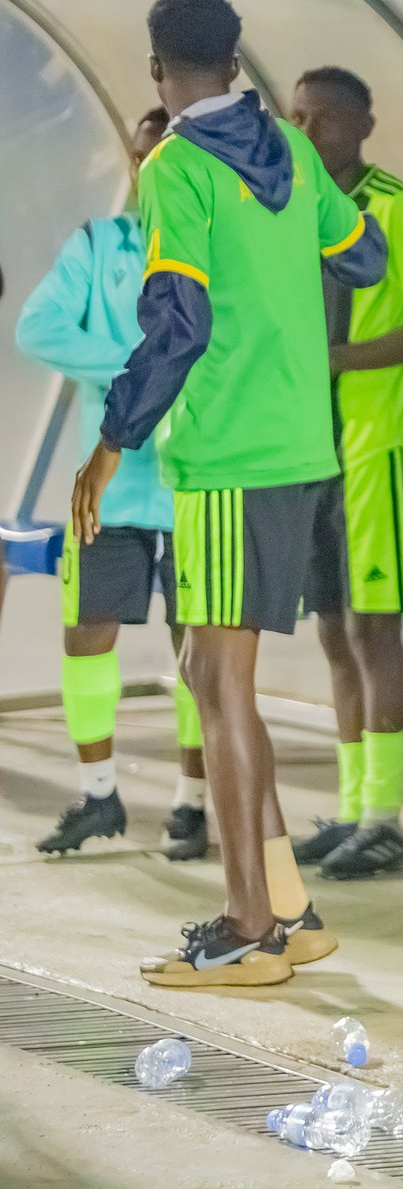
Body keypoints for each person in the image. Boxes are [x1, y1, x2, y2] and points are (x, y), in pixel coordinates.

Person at [74, 0, 386, 987]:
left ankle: (249, 926)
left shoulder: (175, 168)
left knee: (218, 682)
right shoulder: (289, 148)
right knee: (214, 678)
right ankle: (288, 906)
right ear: (238, 63)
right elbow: (365, 256)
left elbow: (180, 322)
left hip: (225, 456)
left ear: (157, 70)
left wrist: (112, 440)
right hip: (301, 446)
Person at [17, 107, 209, 861]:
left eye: (164, 154)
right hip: (113, 485)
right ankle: (99, 796)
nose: (148, 167)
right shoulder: (99, 245)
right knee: (86, 633)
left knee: (199, 645)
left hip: (198, 480)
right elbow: (37, 326)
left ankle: (192, 804)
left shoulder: (217, 246)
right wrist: (139, 369)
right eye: (140, 154)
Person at [289, 65, 403, 881]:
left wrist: (342, 360)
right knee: (332, 629)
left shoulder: (397, 207)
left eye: (323, 118)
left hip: (377, 447)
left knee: (372, 629)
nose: (308, 131)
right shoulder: (293, 211)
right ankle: (355, 807)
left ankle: (387, 819)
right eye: (297, 117)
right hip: (310, 449)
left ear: (363, 125)